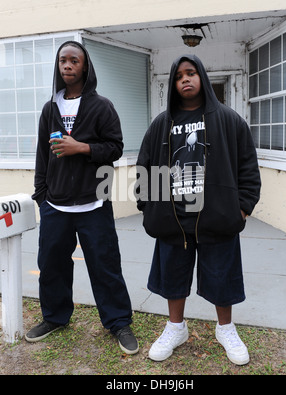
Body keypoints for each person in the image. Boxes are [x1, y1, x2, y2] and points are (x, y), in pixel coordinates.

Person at [135, 55, 261, 365]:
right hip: (173, 218)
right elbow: (145, 167)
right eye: (179, 76)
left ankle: (226, 329)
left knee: (223, 277)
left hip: (217, 216)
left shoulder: (229, 120)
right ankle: (176, 328)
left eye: (191, 73)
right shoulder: (161, 124)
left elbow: (247, 166)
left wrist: (241, 208)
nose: (185, 80)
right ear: (173, 85)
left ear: (202, 76)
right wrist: (147, 206)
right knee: (172, 276)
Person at [26, 41, 138, 355]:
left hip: (94, 203)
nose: (68, 65)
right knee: (51, 266)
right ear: (58, 67)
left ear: (85, 67)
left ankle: (118, 322)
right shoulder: (50, 108)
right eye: (63, 60)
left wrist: (82, 148)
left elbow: (115, 147)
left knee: (105, 266)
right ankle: (55, 318)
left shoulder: (101, 106)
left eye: (74, 60)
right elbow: (42, 157)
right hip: (56, 205)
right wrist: (41, 197)